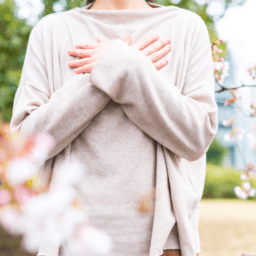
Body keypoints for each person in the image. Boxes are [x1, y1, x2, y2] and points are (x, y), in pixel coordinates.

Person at [10, 0, 218, 255]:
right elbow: (25, 145)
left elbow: (196, 137)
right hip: (65, 242)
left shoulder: (186, 27)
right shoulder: (51, 31)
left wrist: (126, 67)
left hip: (165, 245)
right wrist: (116, 69)